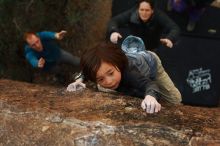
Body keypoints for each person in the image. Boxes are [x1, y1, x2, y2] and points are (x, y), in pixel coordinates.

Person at [67, 36, 182, 114]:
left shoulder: (130, 72)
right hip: (126, 65)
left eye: (110, 73)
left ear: (118, 64)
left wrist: (150, 96)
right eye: (101, 79)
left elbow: (150, 84)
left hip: (150, 63)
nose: (109, 81)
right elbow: (87, 72)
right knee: (103, 87)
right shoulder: (105, 69)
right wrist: (79, 80)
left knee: (175, 100)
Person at [107, 0, 180, 51]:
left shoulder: (159, 16)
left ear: (152, 11)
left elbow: (174, 28)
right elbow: (114, 21)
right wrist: (113, 31)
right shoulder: (132, 13)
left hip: (152, 47)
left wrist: (170, 38)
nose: (144, 13)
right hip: (134, 45)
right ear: (138, 9)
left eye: (147, 10)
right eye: (142, 10)